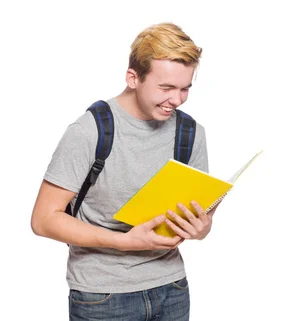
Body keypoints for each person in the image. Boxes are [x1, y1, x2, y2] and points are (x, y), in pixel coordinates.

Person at [31, 22, 211, 320]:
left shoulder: (191, 133)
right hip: (103, 297)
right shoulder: (90, 131)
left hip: (172, 288)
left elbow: (198, 213)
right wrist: (124, 242)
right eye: (166, 88)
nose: (176, 100)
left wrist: (202, 228)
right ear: (133, 78)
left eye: (185, 89)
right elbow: (43, 220)